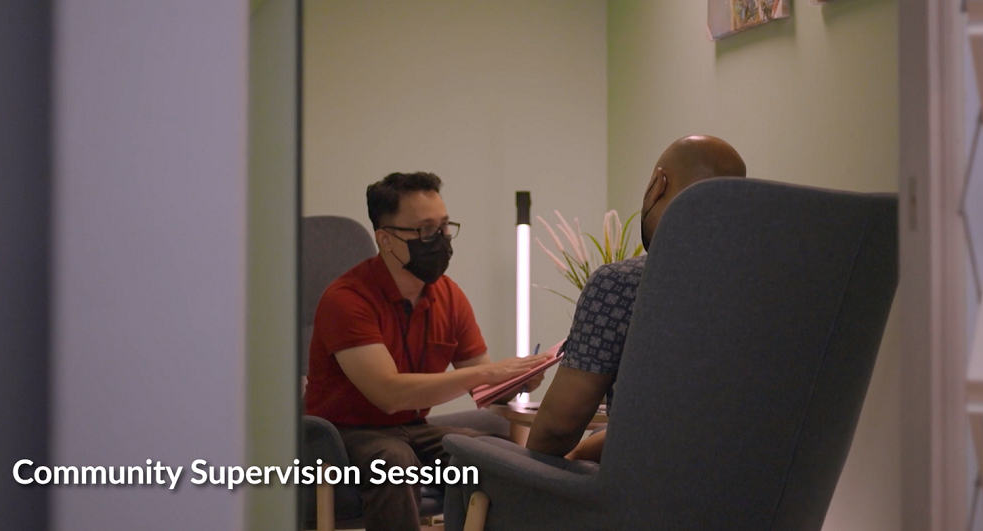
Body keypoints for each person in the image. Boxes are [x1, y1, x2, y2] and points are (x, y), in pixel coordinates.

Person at [304, 171, 548, 531]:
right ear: (385, 239)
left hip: (413, 427)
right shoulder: (347, 299)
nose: (439, 239)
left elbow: (482, 384)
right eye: (424, 230)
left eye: (445, 227)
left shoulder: (448, 295)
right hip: (342, 436)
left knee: (494, 457)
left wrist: (519, 379)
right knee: (392, 461)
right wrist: (486, 374)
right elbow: (388, 394)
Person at [526, 135, 747, 463]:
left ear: (658, 185)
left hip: (642, 507)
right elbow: (704, 426)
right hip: (756, 505)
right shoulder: (774, 292)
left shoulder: (620, 286)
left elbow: (557, 430)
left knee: (467, 466)